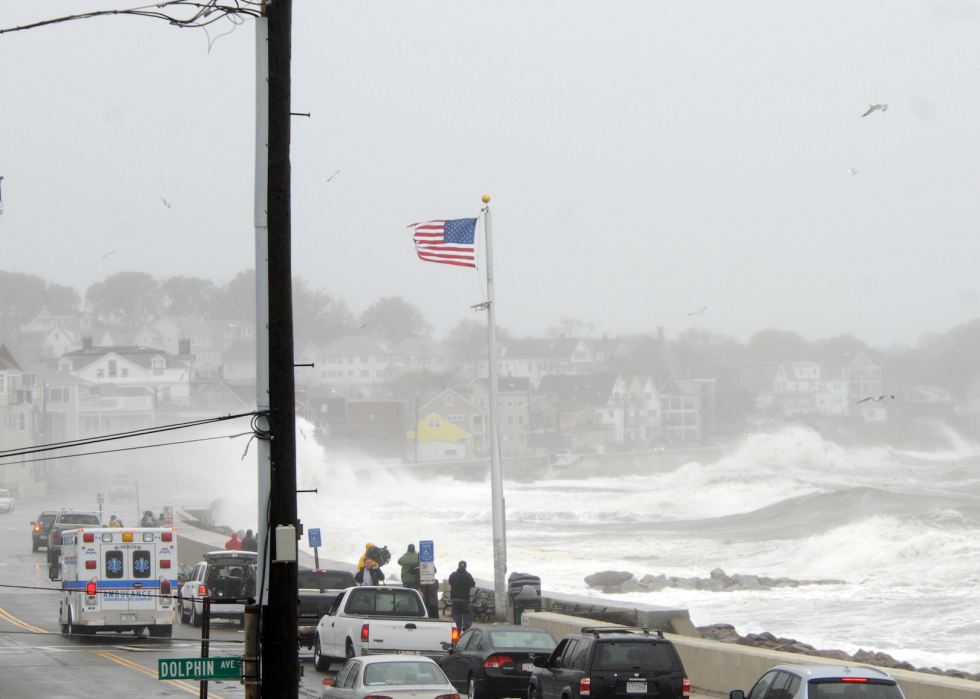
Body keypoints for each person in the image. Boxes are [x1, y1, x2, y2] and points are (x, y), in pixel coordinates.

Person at [448, 560, 476, 631]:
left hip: (455, 599)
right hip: (465, 599)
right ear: (465, 567)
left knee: (456, 615)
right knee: (467, 613)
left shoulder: (453, 575)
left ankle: (458, 629)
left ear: (458, 566)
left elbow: (450, 582)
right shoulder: (468, 575)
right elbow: (473, 584)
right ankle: (466, 626)